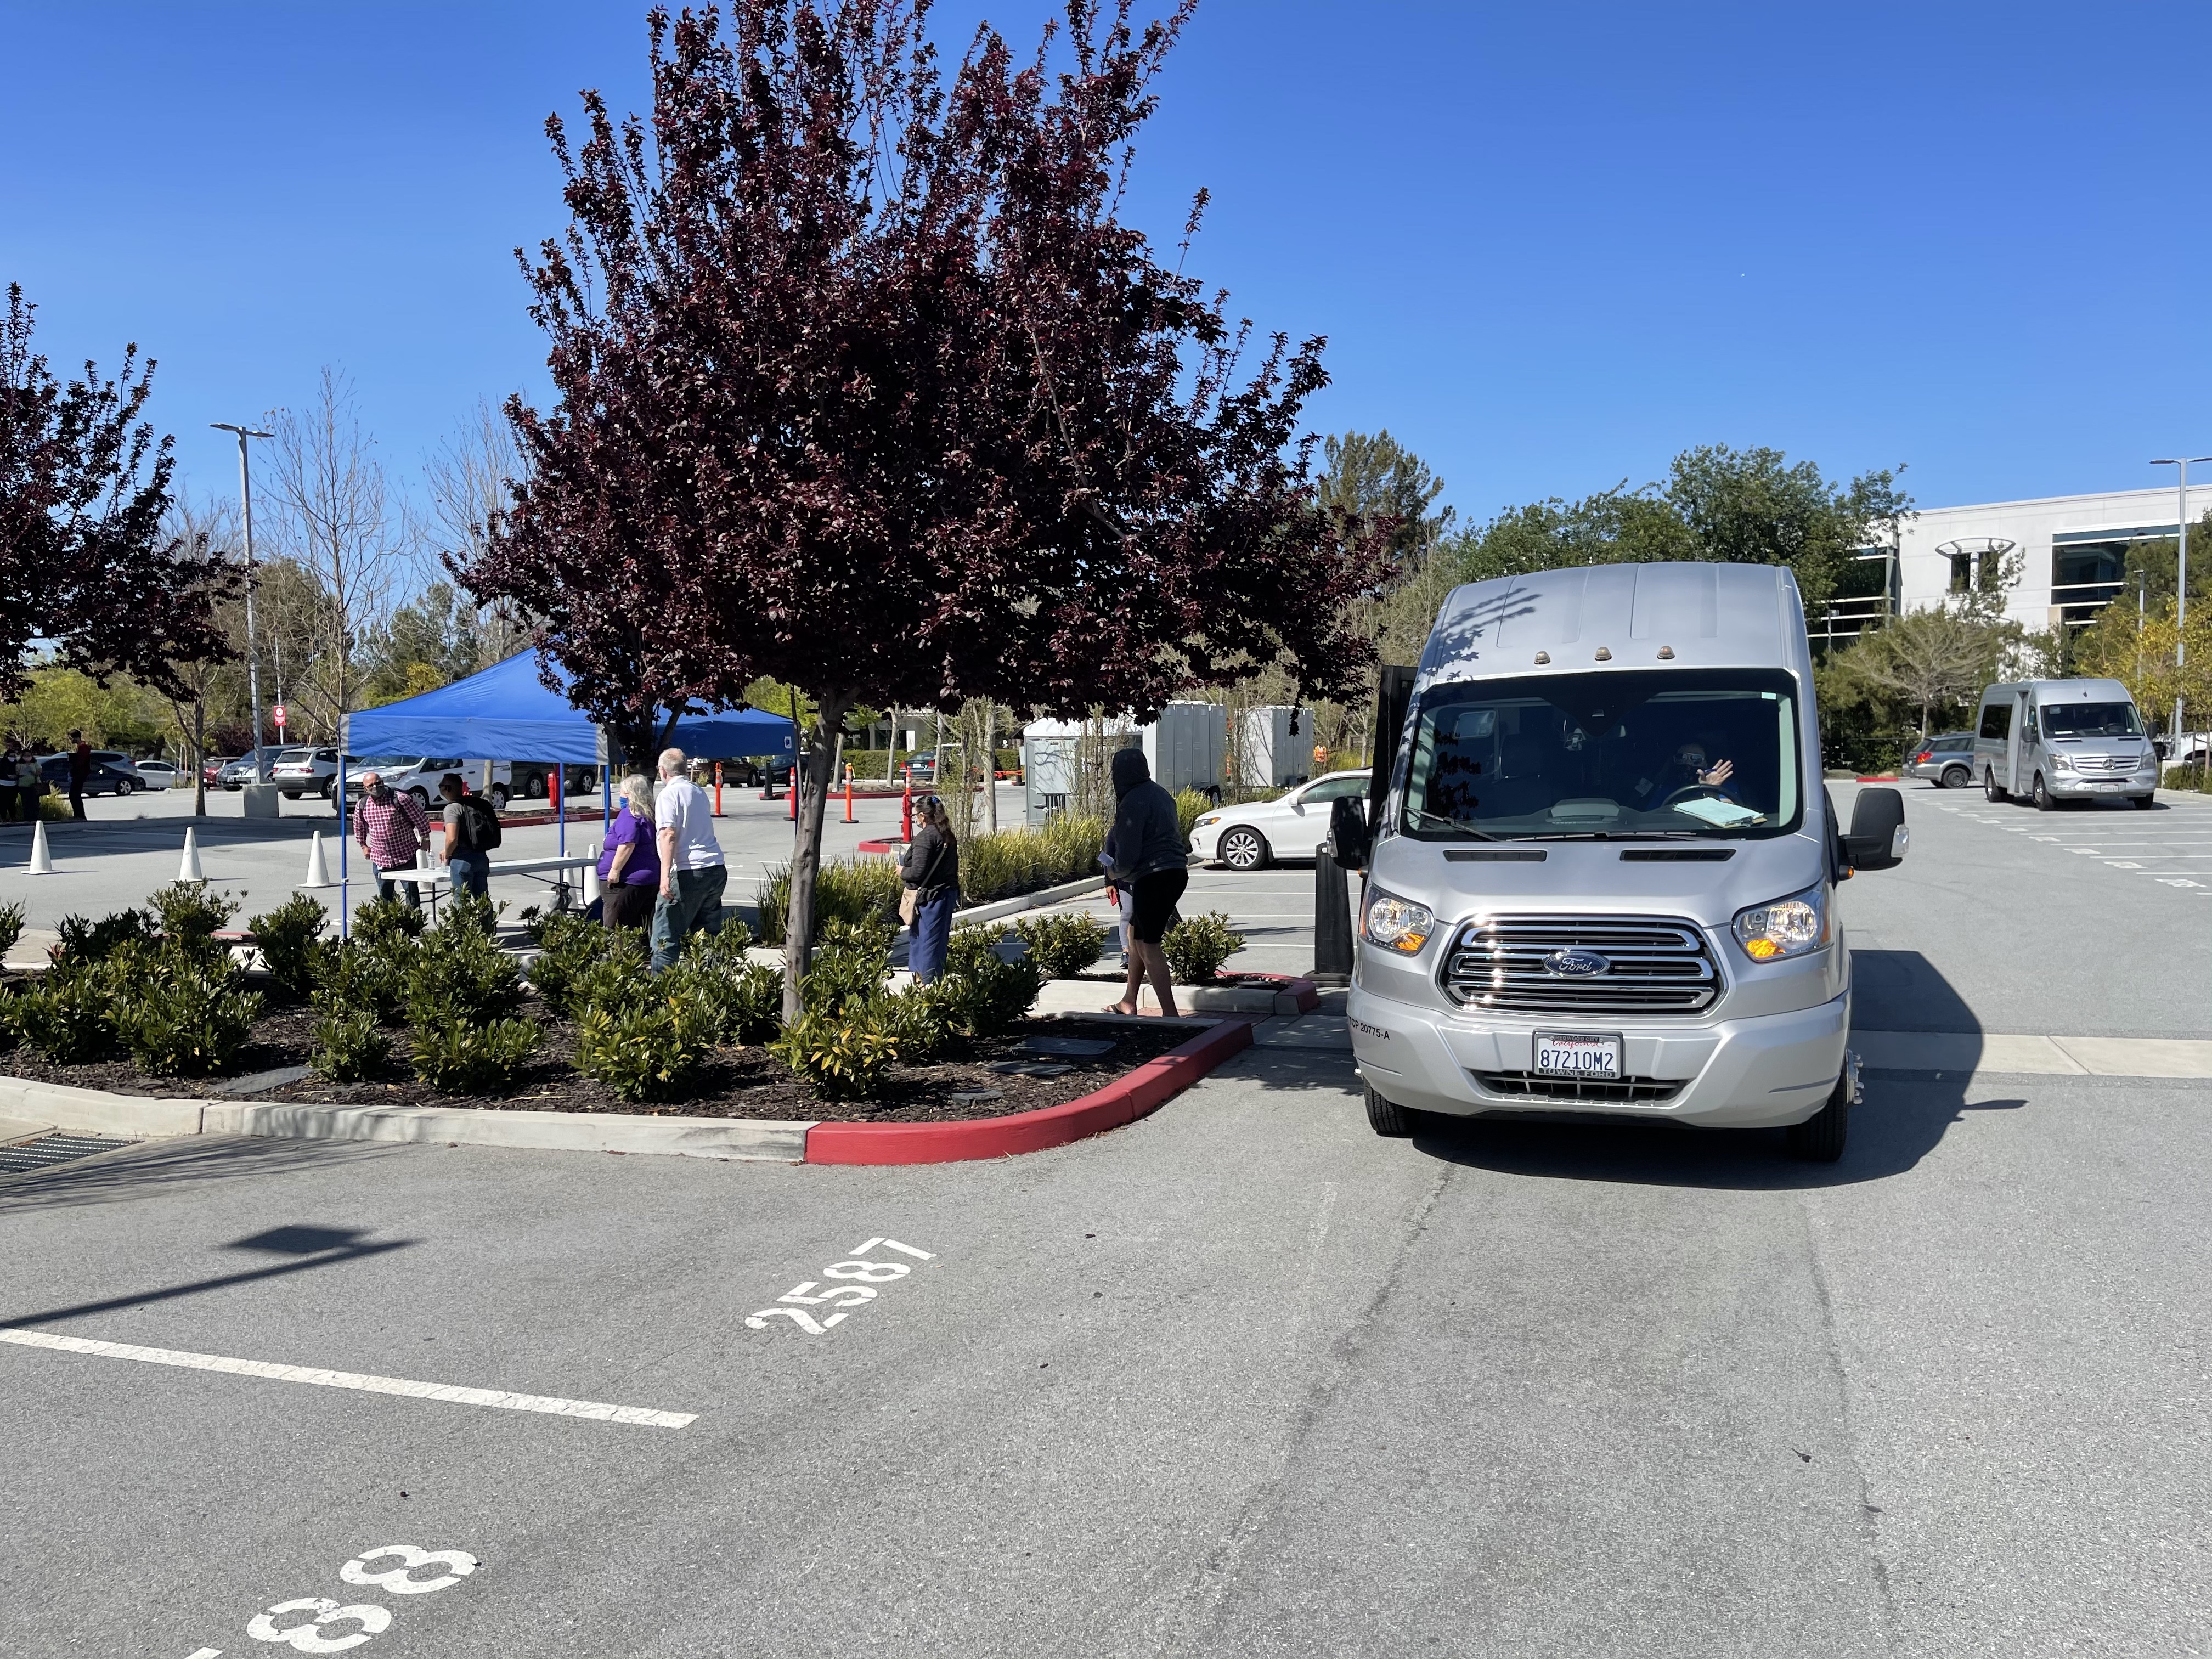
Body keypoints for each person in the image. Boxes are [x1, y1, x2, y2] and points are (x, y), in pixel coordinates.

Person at [1104, 747, 1188, 1018]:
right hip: (1176, 872)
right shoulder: (1160, 794)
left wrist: (1113, 873)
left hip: (1154, 876)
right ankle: (1129, 1000)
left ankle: (1170, 1014)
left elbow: (1127, 858)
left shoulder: (1132, 802)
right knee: (1134, 933)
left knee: (1148, 943)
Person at [651, 747, 727, 970]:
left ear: (662, 771)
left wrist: (664, 876)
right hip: (715, 866)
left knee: (666, 933)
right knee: (707, 935)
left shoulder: (668, 794)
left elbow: (668, 834)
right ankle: (711, 988)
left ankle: (661, 991)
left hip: (688, 870)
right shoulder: (697, 791)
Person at [900, 794, 960, 982]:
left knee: (925, 942)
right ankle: (932, 981)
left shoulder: (926, 837)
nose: (916, 819)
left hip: (931, 898)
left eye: (916, 815)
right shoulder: (946, 833)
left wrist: (902, 871)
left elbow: (917, 872)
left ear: (923, 817)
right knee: (936, 942)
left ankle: (925, 984)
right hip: (946, 894)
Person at [353, 770, 431, 908]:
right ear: (365, 789)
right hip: (381, 859)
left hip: (405, 856)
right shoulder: (362, 805)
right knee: (385, 898)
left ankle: (413, 925)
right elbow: (359, 826)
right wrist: (363, 845)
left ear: (383, 782)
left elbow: (421, 818)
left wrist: (425, 837)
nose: (375, 787)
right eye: (371, 785)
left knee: (412, 897)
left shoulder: (400, 799)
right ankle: (391, 925)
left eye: (378, 783)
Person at [598, 772, 661, 932]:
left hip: (626, 882)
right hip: (649, 880)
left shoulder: (630, 814)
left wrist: (614, 870)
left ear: (630, 795)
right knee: (642, 928)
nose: (620, 796)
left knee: (617, 928)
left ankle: (621, 957)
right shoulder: (651, 815)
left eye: (622, 792)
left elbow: (627, 844)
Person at [437, 774, 495, 899]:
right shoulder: (473, 805)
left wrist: (447, 854)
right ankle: (488, 919)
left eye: (440, 785)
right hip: (481, 857)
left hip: (462, 861)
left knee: (461, 902)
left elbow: (452, 839)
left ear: (447, 788)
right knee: (483, 901)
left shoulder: (452, 808)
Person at [67, 729, 89, 820]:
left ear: (76, 738)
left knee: (74, 794)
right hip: (78, 773)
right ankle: (78, 814)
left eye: (71, 738)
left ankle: (80, 815)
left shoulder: (83, 748)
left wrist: (74, 762)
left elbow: (81, 762)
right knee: (74, 794)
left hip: (80, 774)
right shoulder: (80, 748)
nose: (71, 740)